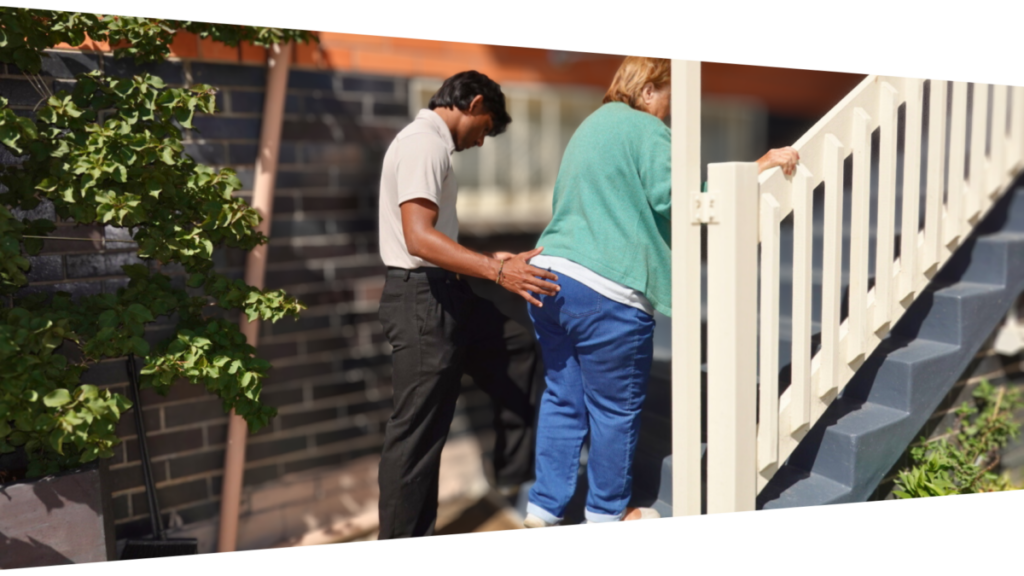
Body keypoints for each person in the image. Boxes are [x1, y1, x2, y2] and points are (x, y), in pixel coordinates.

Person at [522, 55, 799, 528]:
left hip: (550, 279)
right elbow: (681, 197)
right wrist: (761, 164)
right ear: (649, 89)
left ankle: (543, 508)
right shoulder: (643, 127)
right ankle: (609, 512)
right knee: (614, 410)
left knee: (563, 399)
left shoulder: (592, 125)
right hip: (605, 290)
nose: (670, 112)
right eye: (670, 98)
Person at [376, 70, 561, 540]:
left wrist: (487, 259)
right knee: (416, 437)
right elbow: (418, 238)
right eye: (487, 128)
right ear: (475, 103)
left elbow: (437, 237)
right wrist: (498, 272)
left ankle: (513, 475)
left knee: (516, 349)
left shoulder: (431, 146)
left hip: (447, 292)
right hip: (422, 301)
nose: (483, 142)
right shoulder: (424, 144)